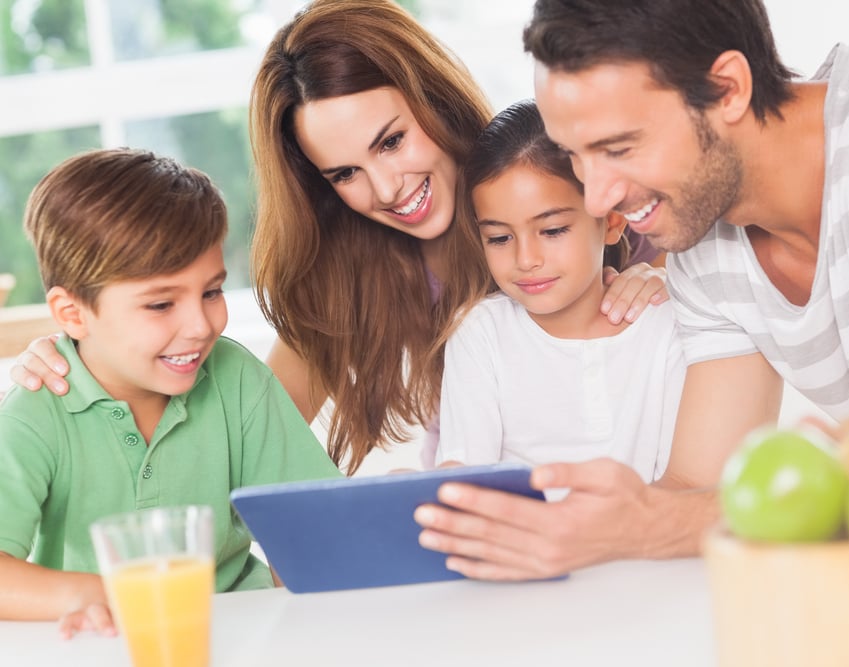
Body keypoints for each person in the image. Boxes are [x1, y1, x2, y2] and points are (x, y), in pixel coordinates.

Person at [412, 0, 849, 580]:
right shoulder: (704, 250)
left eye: (617, 148)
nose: (595, 197)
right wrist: (600, 522)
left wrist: (646, 523)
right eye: (575, 156)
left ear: (727, 89)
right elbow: (697, 489)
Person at [8, 0, 667, 476]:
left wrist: (664, 279)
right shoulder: (348, 279)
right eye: (346, 172)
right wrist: (82, 358)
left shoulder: (565, 189)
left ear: (433, 97)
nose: (384, 188)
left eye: (392, 140)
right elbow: (239, 429)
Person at [0, 148, 342, 636]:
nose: (201, 326)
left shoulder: (236, 378)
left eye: (211, 292)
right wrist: (97, 595)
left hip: (240, 636)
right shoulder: (35, 413)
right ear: (73, 314)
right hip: (103, 641)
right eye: (161, 304)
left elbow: (310, 527)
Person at [430, 100, 685, 482]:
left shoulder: (667, 324)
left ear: (612, 221)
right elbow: (466, 482)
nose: (526, 258)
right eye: (499, 237)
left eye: (552, 231)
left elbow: (685, 485)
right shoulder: (480, 333)